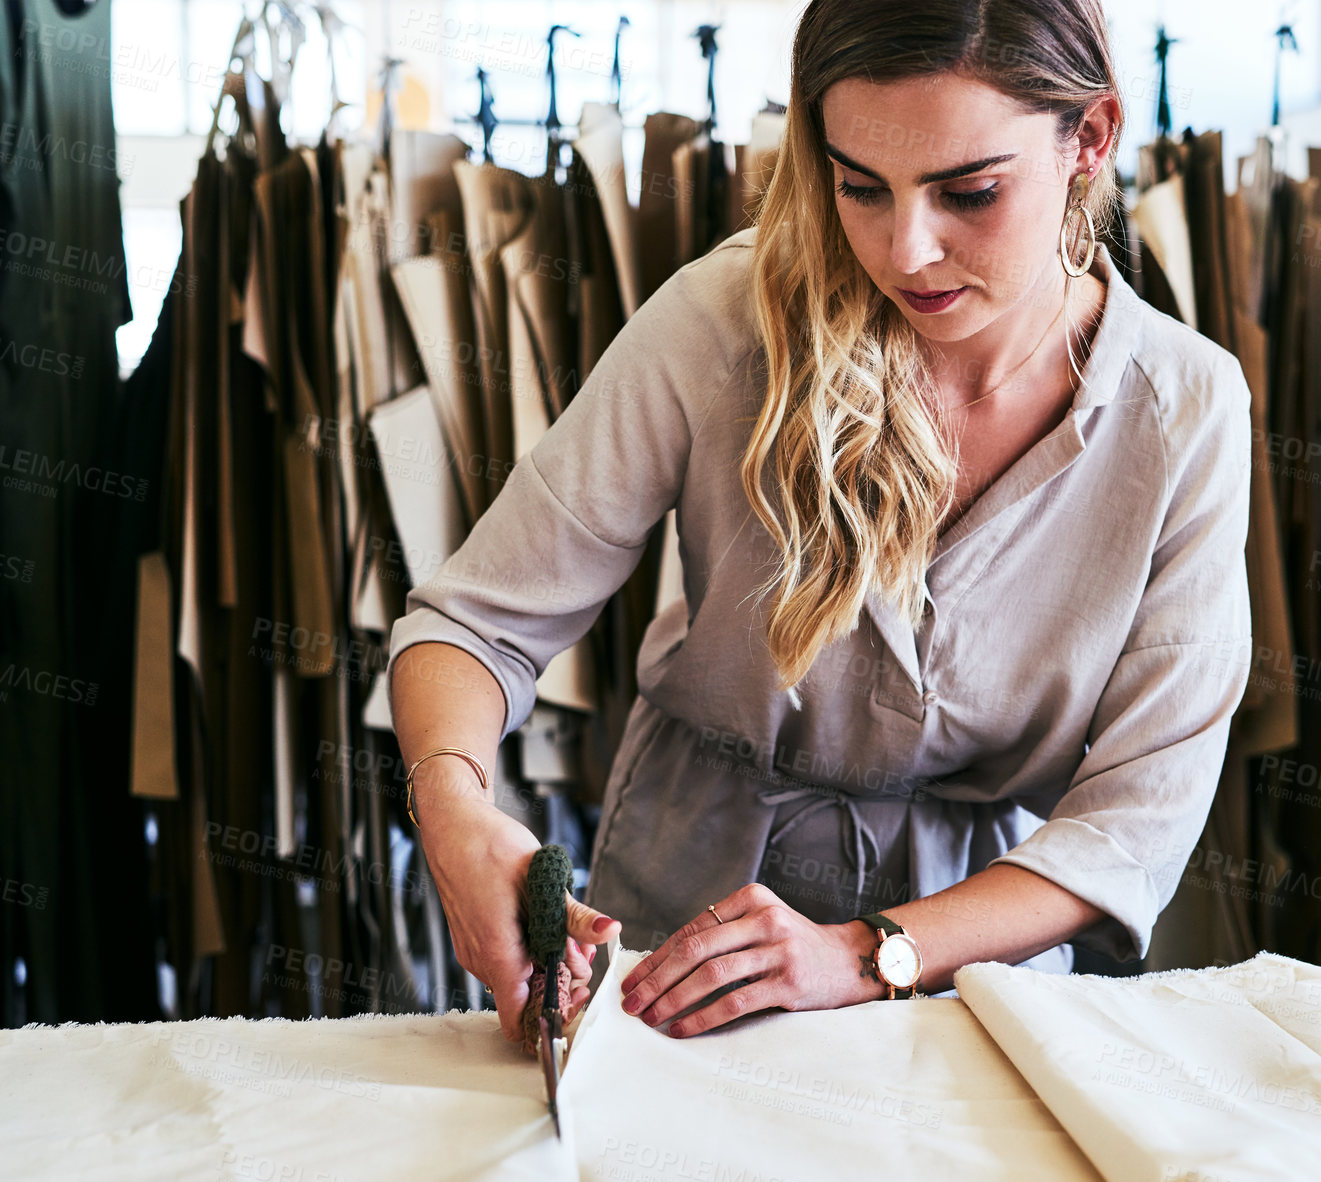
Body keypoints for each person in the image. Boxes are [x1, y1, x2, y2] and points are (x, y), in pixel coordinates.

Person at [388, 0, 1252, 1044]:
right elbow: (475, 626)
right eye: (860, 187)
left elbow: (1133, 823)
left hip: (980, 964)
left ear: (1091, 137)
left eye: (968, 191)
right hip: (685, 932)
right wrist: (454, 806)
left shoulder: (1186, 408)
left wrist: (866, 948)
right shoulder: (720, 320)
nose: (909, 249)